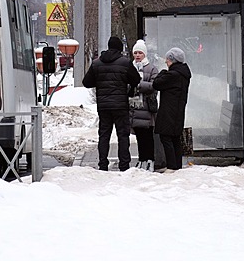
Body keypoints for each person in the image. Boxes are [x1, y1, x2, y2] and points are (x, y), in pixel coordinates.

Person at [82, 36, 141, 171]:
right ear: (120, 48)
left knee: (104, 135)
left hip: (103, 106)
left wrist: (99, 81)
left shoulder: (97, 63)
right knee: (123, 135)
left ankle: (103, 164)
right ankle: (124, 165)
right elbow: (136, 79)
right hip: (120, 106)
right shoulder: (125, 63)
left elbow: (86, 82)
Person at [152, 47, 192, 171]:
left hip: (169, 111)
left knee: (166, 137)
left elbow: (156, 84)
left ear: (173, 60)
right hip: (178, 111)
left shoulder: (173, 75)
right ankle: (177, 166)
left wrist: (162, 72)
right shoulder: (183, 74)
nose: (166, 62)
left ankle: (172, 166)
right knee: (175, 138)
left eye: (168, 59)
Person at [128, 39, 159, 171]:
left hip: (146, 108)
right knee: (139, 137)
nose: (137, 55)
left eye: (140, 52)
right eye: (135, 53)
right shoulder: (130, 67)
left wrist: (138, 85)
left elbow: (154, 86)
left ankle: (150, 160)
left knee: (148, 137)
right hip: (134, 109)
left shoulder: (151, 68)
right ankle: (142, 159)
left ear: (145, 54)